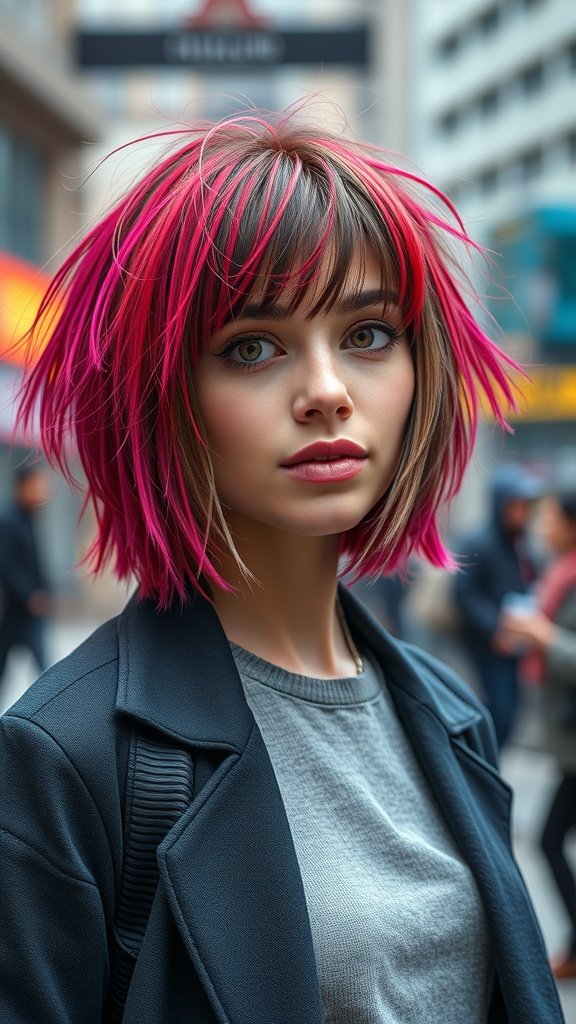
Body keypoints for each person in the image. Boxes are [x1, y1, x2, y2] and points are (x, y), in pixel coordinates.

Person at [0, 108, 563, 1023]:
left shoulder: (451, 717)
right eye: (252, 347)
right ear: (165, 394)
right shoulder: (64, 758)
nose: (328, 391)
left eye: (368, 334)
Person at [500, 489, 576, 982]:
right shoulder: (558, 573)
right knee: (550, 839)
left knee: (549, 839)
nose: (541, 524)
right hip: (567, 742)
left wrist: (543, 637)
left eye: (551, 516)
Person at [453, 464, 540, 748]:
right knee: (495, 712)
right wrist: (494, 630)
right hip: (487, 647)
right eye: (516, 505)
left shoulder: (522, 544)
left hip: (516, 645)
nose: (522, 512)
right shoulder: (479, 543)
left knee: (512, 713)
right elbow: (463, 593)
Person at [0, 463, 50, 707]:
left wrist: (46, 591)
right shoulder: (8, 520)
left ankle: (52, 716)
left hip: (30, 613)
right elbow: (6, 566)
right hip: (17, 612)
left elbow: (36, 563)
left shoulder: (30, 517)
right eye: (35, 486)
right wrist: (30, 596)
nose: (41, 491)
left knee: (46, 672)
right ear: (21, 487)